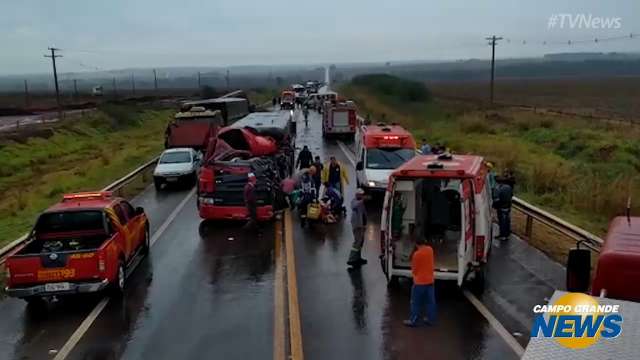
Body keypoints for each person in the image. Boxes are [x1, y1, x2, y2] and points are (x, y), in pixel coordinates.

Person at [403, 237, 436, 327]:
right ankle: (430, 319)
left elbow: (414, 270)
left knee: (415, 302)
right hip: (430, 281)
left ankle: (413, 320)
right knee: (430, 302)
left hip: (419, 283)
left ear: (416, 244)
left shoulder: (416, 255)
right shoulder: (430, 250)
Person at [347, 188, 368, 267]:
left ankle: (358, 258)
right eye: (361, 194)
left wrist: (365, 222)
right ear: (357, 194)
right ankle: (351, 259)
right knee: (357, 242)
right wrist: (362, 201)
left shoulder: (361, 203)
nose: (362, 196)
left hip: (361, 225)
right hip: (356, 225)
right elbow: (354, 206)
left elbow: (364, 213)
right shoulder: (354, 201)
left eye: (362, 194)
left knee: (361, 242)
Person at [493, 171, 514, 241]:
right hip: (508, 207)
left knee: (502, 222)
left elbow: (496, 199)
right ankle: (507, 234)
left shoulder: (498, 188)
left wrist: (494, 206)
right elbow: (511, 195)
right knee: (507, 221)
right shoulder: (509, 187)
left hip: (501, 207)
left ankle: (502, 235)